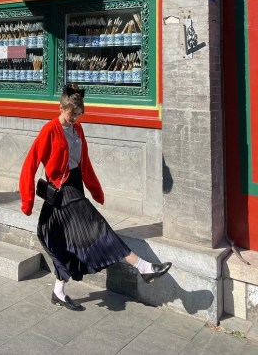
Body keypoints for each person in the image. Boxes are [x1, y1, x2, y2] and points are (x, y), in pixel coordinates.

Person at [19, 84, 171, 311]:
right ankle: (143, 267)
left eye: (79, 114)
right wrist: (27, 200)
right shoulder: (49, 130)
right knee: (97, 227)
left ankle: (58, 292)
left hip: (75, 186)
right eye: (72, 114)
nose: (76, 118)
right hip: (62, 192)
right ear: (62, 107)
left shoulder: (78, 130)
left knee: (67, 242)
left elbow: (85, 164)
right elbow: (30, 164)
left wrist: (96, 190)